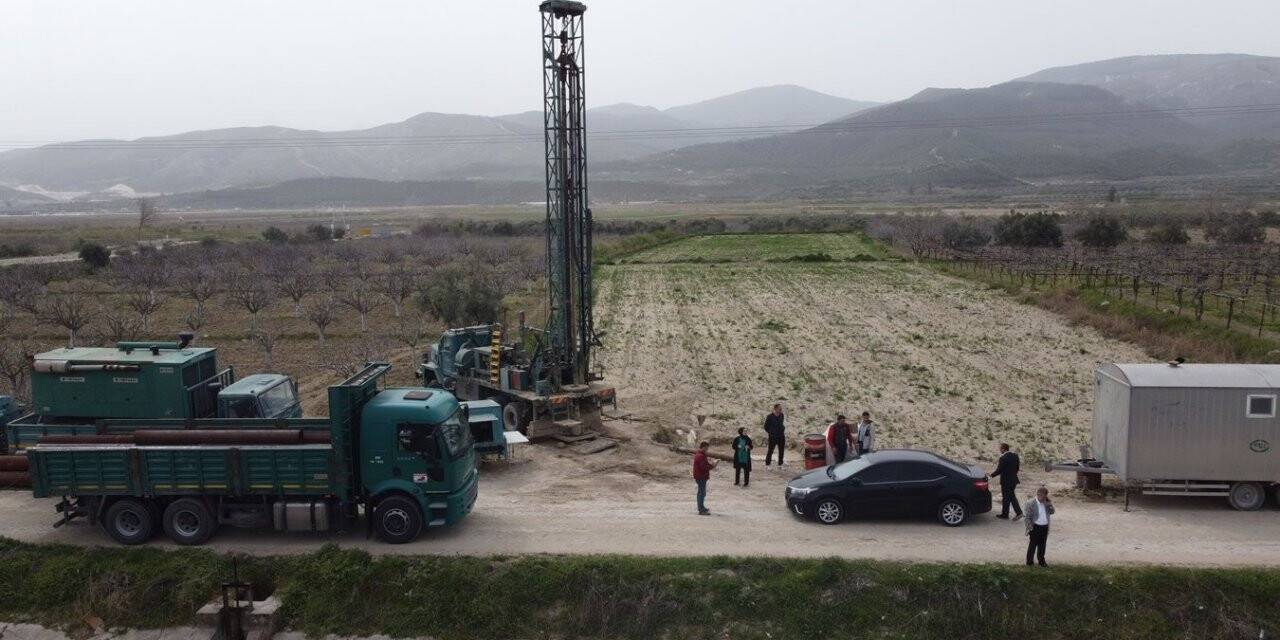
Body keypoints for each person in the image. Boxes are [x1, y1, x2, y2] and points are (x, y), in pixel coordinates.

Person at [1023, 486, 1054, 566]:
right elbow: (1027, 518)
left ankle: (1041, 561)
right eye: (1040, 495)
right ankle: (1029, 562)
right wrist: (1030, 529)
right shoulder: (1030, 503)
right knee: (1032, 545)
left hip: (1045, 527)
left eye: (1044, 496)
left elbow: (1052, 512)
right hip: (1035, 527)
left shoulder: (1046, 503)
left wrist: (1049, 504)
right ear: (1037, 494)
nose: (1042, 498)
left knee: (1042, 545)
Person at [991, 443, 1022, 520]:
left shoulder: (1003, 458)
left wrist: (991, 475)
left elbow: (999, 470)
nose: (1000, 450)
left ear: (1004, 449)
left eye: (1000, 449)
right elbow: (1017, 468)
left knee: (1006, 497)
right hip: (1014, 480)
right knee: (1011, 496)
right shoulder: (1015, 456)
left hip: (1006, 481)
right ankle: (1014, 513)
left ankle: (1008, 514)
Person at [693, 441, 718, 515]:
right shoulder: (700, 455)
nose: (707, 449)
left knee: (701, 492)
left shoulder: (700, 454)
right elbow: (703, 467)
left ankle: (701, 507)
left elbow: (704, 465)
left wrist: (711, 464)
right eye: (707, 448)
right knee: (702, 493)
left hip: (700, 476)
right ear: (703, 447)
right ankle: (701, 510)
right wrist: (713, 466)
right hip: (701, 476)